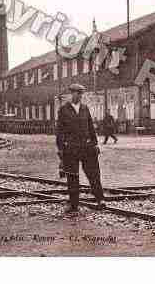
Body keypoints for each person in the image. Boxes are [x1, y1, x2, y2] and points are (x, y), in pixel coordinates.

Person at [56, 83, 105, 213]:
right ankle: (74, 205)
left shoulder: (85, 108)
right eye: (76, 93)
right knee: (72, 177)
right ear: (71, 94)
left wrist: (95, 143)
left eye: (80, 93)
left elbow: (91, 127)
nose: (78, 96)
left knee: (94, 174)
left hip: (86, 147)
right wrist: (61, 148)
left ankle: (100, 199)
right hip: (70, 148)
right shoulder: (63, 110)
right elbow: (59, 131)